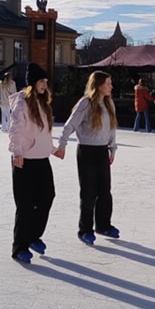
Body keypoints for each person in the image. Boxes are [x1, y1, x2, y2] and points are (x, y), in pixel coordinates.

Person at [56, 71, 120, 245]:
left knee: (105, 191)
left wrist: (112, 149)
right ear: (98, 85)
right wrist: (62, 144)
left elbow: (112, 130)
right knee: (88, 192)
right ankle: (85, 229)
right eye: (108, 83)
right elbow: (70, 125)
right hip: (86, 152)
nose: (111, 87)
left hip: (102, 151)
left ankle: (103, 225)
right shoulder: (85, 103)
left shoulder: (109, 103)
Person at [7, 63, 61, 263]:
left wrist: (52, 149)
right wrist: (17, 152)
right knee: (25, 205)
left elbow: (43, 133)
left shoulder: (43, 103)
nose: (44, 84)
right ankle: (19, 247)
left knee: (47, 196)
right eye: (41, 81)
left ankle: (33, 236)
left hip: (42, 159)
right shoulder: (22, 103)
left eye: (46, 81)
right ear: (32, 83)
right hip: (24, 160)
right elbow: (16, 129)